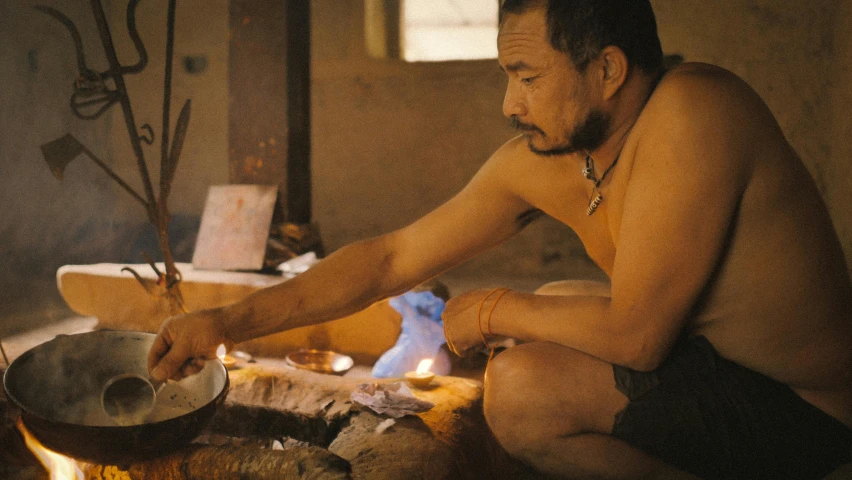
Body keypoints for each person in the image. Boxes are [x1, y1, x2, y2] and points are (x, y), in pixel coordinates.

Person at [148, 0, 852, 478]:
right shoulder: (553, 157)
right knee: (553, 305)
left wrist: (491, 310)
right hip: (718, 364)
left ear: (607, 69)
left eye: (527, 76)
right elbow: (393, 257)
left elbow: (639, 337)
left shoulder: (694, 110)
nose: (509, 103)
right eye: (507, 76)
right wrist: (221, 323)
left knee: (518, 389)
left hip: (805, 412)